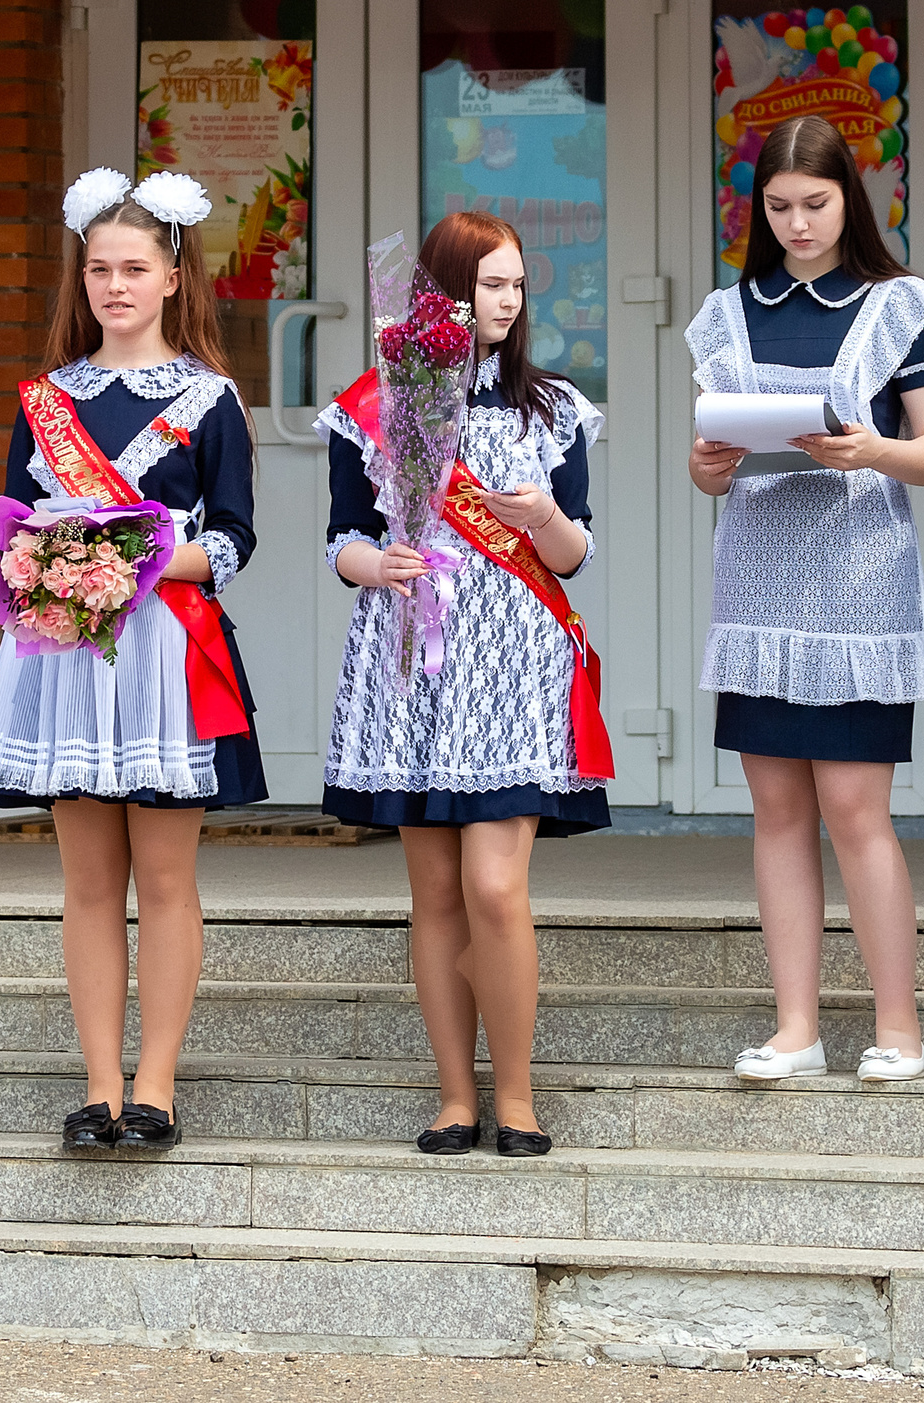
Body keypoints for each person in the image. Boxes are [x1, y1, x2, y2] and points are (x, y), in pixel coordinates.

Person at [0, 168, 262, 1155]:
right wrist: (39, 559)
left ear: (173, 276)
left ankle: (156, 1087)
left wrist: (127, 556)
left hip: (163, 655)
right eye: (99, 269)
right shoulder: (46, 399)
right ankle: (97, 1087)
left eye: (135, 267)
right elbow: (12, 528)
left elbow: (230, 541)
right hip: (63, 657)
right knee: (89, 881)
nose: (115, 286)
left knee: (167, 879)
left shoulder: (210, 400)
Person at [317, 210, 612, 1159]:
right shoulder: (375, 402)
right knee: (435, 890)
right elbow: (343, 538)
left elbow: (575, 554)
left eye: (518, 284)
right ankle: (454, 1094)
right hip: (414, 659)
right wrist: (378, 565)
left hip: (513, 665)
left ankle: (517, 1094)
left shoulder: (553, 408)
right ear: (442, 289)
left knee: (494, 885)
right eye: (490, 283)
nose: (508, 300)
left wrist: (540, 517)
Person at [686, 117, 924, 1088]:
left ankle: (899, 1027)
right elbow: (710, 470)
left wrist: (874, 450)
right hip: (757, 584)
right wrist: (706, 466)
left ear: (852, 198)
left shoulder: (900, 308)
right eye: (779, 207)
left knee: (855, 808)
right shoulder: (728, 313)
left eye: (816, 203)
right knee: (773, 810)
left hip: (858, 592)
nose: (798, 223)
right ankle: (794, 1026)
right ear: (755, 210)